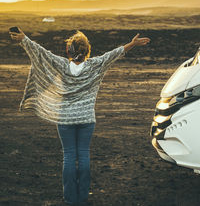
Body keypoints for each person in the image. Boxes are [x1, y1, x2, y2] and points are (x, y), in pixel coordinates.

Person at [9, 28, 150, 206]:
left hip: (65, 119)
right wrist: (132, 44)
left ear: (69, 51)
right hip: (86, 119)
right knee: (83, 155)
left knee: (68, 156)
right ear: (86, 51)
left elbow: (40, 52)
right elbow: (114, 54)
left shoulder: (61, 64)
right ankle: (83, 197)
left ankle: (70, 199)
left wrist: (24, 39)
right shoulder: (95, 65)